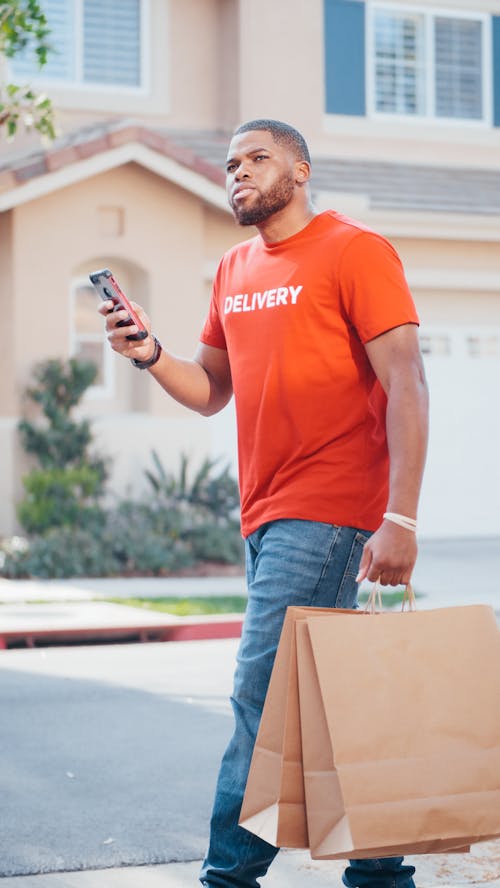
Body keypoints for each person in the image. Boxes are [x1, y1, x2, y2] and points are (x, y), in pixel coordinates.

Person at [99, 119, 429, 888]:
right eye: (230, 163)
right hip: (264, 515)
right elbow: (212, 391)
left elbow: (408, 382)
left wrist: (401, 516)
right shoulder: (234, 267)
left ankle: (228, 876)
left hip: (330, 509)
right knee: (333, 709)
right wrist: (149, 354)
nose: (238, 172)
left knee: (258, 695)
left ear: (301, 170)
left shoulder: (356, 251)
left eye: (257, 159)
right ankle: (382, 875)